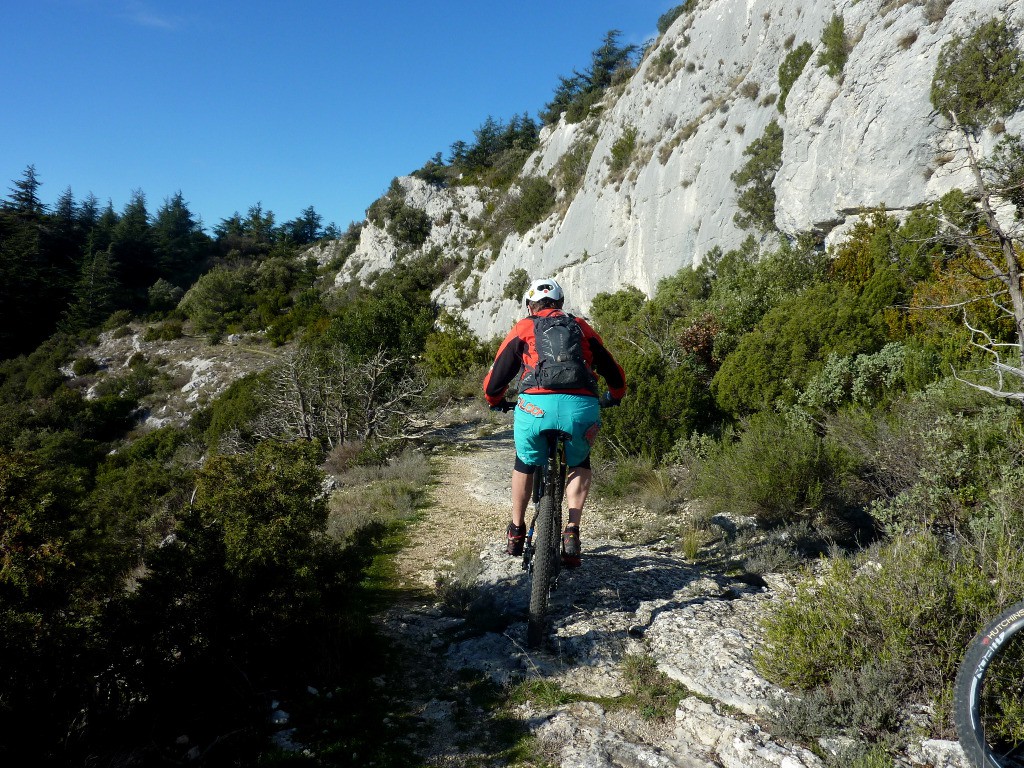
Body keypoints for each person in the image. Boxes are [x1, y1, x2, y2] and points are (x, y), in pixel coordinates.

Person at [482, 277, 627, 568]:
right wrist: (614, 395)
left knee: (524, 461)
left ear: (530, 305)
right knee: (580, 461)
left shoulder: (525, 327)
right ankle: (571, 530)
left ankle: (516, 530)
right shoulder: (580, 326)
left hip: (535, 408)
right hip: (581, 408)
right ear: (560, 304)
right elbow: (612, 370)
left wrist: (495, 400)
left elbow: (498, 376)